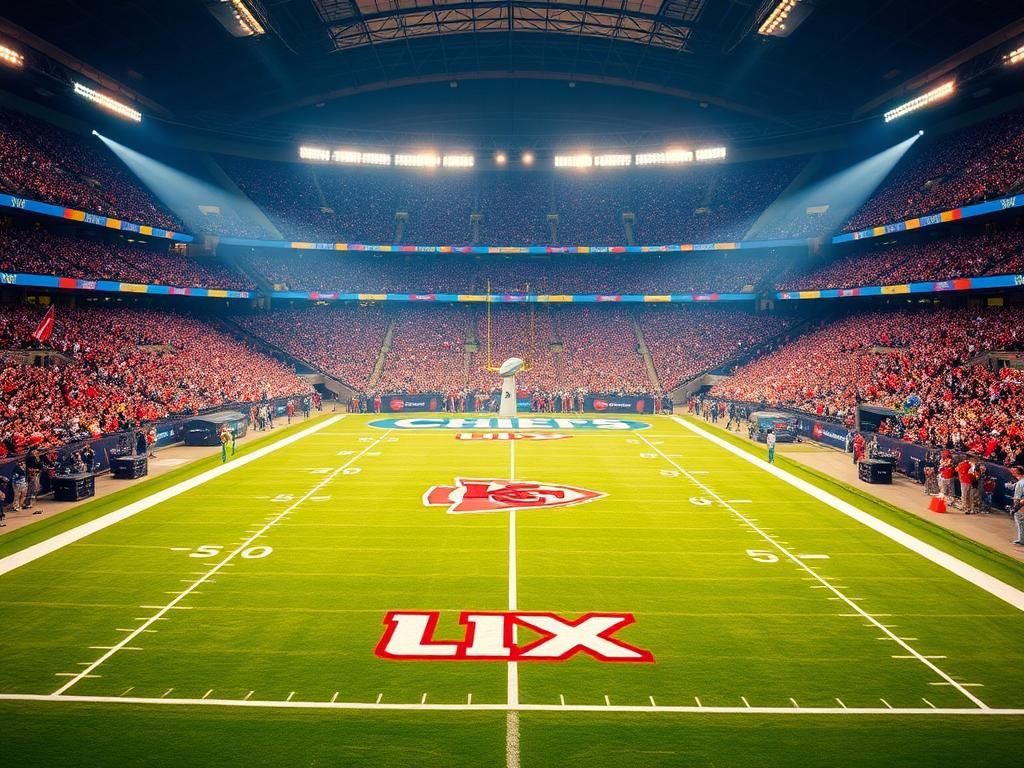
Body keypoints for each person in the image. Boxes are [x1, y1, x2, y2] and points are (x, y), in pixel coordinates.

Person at [1010, 466, 1024, 546]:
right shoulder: (1020, 482)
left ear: (1018, 472)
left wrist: (1017, 507)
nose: (1012, 472)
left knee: (1020, 522)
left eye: (1014, 471)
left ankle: (1021, 540)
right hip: (1020, 504)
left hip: (1021, 505)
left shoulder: (1021, 482)